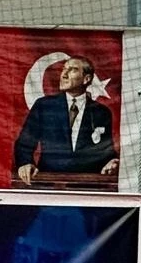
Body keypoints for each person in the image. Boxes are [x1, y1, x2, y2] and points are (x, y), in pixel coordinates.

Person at [14, 56, 118, 184]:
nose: (64, 75)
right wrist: (25, 163)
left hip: (87, 185)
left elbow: (106, 150)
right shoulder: (44, 106)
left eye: (72, 70)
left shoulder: (101, 112)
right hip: (49, 183)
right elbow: (24, 144)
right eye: (64, 69)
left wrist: (112, 162)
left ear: (86, 79)